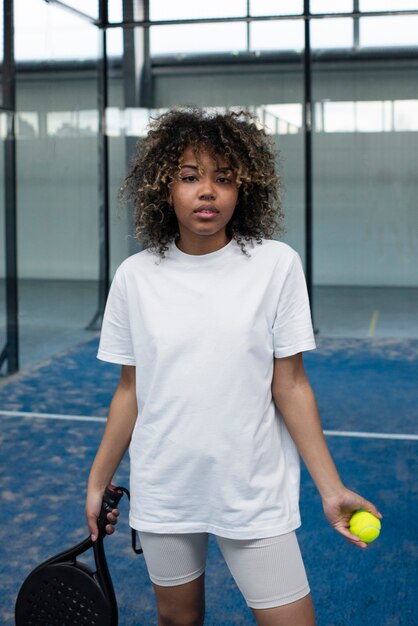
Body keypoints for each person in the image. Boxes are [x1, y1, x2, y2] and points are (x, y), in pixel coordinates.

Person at [86, 107, 381, 626]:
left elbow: (290, 384)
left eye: (223, 179)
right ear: (163, 188)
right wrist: (97, 483)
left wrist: (331, 489)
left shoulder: (276, 265)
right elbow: (129, 391)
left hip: (253, 489)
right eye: (190, 177)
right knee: (178, 620)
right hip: (166, 487)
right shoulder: (134, 277)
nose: (208, 192)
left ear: (244, 188)